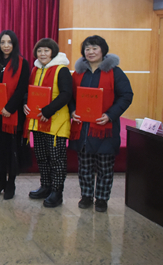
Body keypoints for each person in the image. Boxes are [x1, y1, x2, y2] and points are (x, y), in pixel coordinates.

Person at [69, 35, 133, 212]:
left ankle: (102, 198)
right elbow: (70, 96)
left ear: (103, 50)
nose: (90, 52)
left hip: (105, 128)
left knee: (105, 166)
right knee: (85, 166)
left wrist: (110, 115)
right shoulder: (78, 74)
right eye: (87, 49)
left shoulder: (115, 72)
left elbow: (126, 96)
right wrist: (72, 111)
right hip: (83, 128)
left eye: (94, 48)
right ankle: (86, 196)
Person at [23, 38, 72, 208]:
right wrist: (25, 103)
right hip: (38, 122)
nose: (42, 54)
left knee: (56, 159)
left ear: (53, 52)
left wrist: (48, 110)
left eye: (46, 50)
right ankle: (45, 186)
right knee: (42, 156)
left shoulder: (61, 70)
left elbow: (66, 94)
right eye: (39, 51)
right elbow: (29, 91)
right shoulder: (35, 69)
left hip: (56, 123)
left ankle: (57, 192)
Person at [0, 30, 30, 200]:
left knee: (12, 150)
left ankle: (11, 183)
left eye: (9, 42)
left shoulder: (22, 64)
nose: (6, 46)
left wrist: (9, 108)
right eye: (3, 42)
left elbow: (22, 89)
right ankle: (1, 182)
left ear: (14, 44)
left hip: (13, 115)